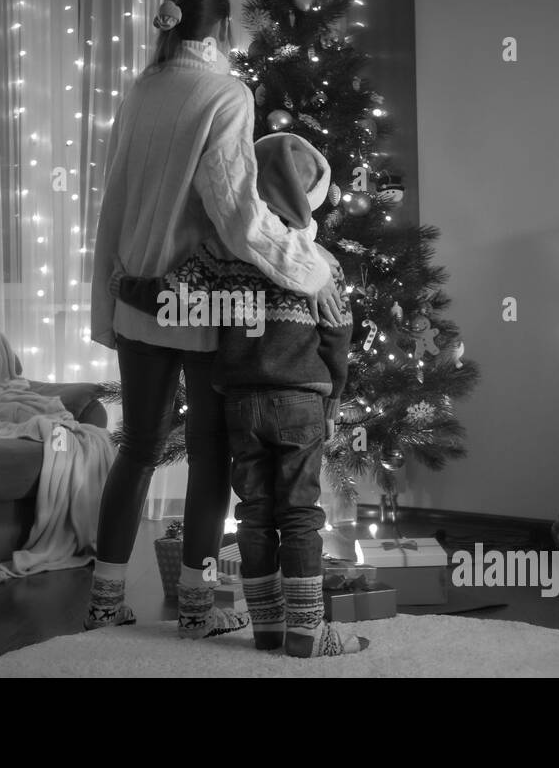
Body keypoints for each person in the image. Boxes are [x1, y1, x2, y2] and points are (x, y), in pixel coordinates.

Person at [87, 0, 344, 638]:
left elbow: (111, 204)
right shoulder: (226, 95)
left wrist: (107, 299)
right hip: (204, 303)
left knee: (138, 448)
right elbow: (236, 216)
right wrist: (305, 265)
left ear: (171, 23)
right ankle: (196, 607)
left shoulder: (140, 92)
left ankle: (105, 597)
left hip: (140, 298)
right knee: (209, 454)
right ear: (223, 30)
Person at [110, 132, 368, 657]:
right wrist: (334, 401)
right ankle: (307, 630)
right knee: (299, 514)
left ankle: (267, 627)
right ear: (310, 195)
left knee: (253, 513)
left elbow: (172, 296)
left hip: (240, 403)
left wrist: (125, 286)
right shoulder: (318, 263)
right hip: (301, 401)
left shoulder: (221, 252)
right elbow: (338, 335)